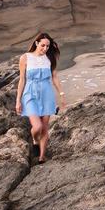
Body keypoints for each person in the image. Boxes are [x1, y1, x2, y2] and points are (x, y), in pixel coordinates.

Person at [15, 33, 65, 163]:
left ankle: (42, 157)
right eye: (43, 45)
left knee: (44, 126)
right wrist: (18, 100)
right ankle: (35, 140)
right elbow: (22, 80)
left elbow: (54, 77)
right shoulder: (25, 58)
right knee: (37, 127)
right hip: (30, 93)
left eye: (47, 46)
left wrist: (61, 94)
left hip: (46, 94)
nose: (45, 48)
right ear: (36, 43)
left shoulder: (50, 58)